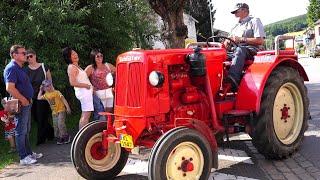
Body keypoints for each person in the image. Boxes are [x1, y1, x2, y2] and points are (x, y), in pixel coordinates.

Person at [4, 45, 43, 165]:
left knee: (25, 130)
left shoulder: (19, 67)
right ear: (14, 55)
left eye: (25, 53)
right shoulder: (12, 68)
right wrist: (23, 99)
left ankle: (29, 153)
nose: (25, 55)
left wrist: (28, 99)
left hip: (26, 102)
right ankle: (23, 157)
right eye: (23, 53)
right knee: (21, 130)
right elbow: (9, 88)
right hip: (21, 103)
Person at [225, 3, 266, 91]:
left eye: (236, 11)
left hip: (252, 49)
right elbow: (227, 42)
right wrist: (227, 43)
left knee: (240, 50)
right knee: (221, 55)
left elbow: (260, 41)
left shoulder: (254, 21)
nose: (234, 13)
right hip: (236, 50)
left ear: (244, 10)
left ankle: (233, 79)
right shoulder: (235, 27)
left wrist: (241, 39)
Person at [25, 49, 54, 145]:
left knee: (42, 116)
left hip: (43, 96)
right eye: (27, 57)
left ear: (35, 55)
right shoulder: (26, 70)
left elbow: (50, 81)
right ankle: (50, 132)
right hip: (32, 97)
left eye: (31, 56)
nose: (29, 58)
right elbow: (25, 85)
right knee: (37, 118)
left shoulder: (43, 66)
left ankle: (40, 140)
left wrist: (53, 94)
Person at [63, 47, 94, 129]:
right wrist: (87, 86)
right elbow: (72, 82)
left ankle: (83, 135)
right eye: (72, 54)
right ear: (68, 57)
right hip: (83, 92)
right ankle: (82, 136)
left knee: (86, 114)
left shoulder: (76, 66)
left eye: (75, 52)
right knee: (85, 115)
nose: (75, 54)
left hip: (86, 92)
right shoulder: (71, 67)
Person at [38, 80, 71, 145]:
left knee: (60, 124)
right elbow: (38, 98)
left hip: (61, 110)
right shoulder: (46, 95)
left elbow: (63, 99)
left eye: (50, 85)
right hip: (54, 113)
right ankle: (61, 137)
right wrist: (41, 90)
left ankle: (66, 137)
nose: (49, 87)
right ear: (44, 88)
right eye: (47, 86)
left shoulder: (57, 92)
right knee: (56, 126)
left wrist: (68, 107)